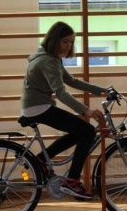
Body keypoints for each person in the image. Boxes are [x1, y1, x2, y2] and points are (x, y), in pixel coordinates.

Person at [21, 21, 106, 200]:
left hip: (37, 106)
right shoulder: (48, 61)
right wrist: (85, 111)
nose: (68, 45)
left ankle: (41, 159)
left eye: (71, 42)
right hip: (39, 107)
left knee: (80, 131)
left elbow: (71, 81)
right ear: (54, 40)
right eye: (65, 41)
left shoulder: (51, 58)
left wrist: (101, 90)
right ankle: (72, 181)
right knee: (88, 131)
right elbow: (61, 93)